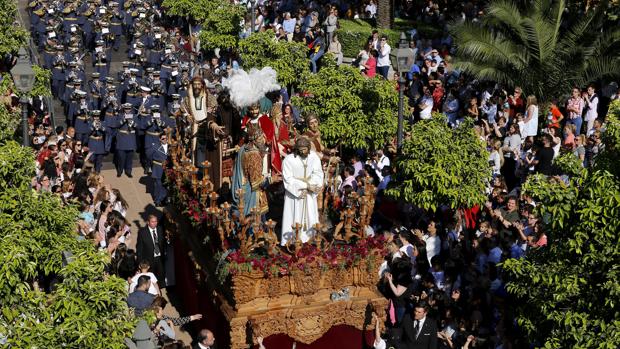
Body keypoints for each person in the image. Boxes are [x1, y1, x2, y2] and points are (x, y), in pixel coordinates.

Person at [281, 137, 324, 245]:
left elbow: (318, 173)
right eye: (300, 149)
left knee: (310, 215)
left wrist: (312, 186)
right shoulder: (289, 160)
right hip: (295, 195)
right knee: (293, 216)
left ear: (309, 148)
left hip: (309, 194)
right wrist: (305, 186)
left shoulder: (314, 157)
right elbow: (288, 179)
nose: (303, 152)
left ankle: (310, 240)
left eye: (305, 149)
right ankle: (292, 241)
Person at [136, 214, 167, 288]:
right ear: (148, 222)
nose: (154, 223)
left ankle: (160, 289)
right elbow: (139, 248)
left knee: (161, 273)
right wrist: (140, 262)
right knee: (151, 276)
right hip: (149, 259)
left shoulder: (160, 229)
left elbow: (163, 243)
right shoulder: (142, 232)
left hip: (159, 257)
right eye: (152, 222)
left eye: (156, 221)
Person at [147, 134, 170, 206]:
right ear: (160, 139)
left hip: (167, 168)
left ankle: (163, 199)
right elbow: (148, 155)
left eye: (166, 138)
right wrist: (154, 163)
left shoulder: (170, 146)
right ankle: (158, 200)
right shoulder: (155, 146)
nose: (165, 140)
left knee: (166, 184)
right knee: (158, 185)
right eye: (163, 139)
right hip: (158, 168)